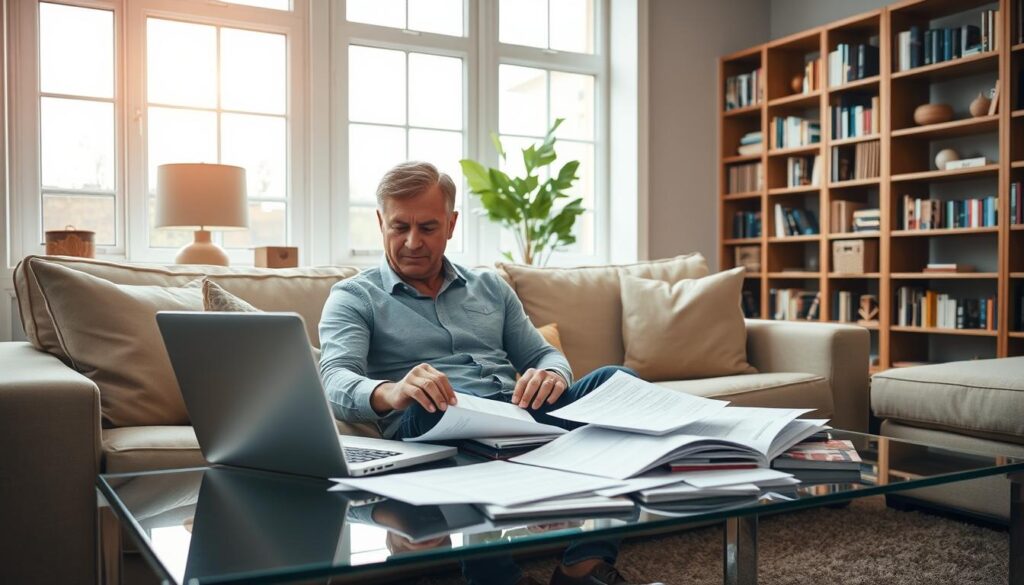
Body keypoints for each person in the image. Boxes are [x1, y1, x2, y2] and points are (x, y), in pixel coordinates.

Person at [319, 161, 660, 585]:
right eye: (398, 226)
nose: (412, 242)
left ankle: (583, 566)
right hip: (431, 422)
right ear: (379, 222)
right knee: (437, 410)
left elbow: (542, 354)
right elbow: (334, 378)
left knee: (618, 382)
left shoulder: (491, 287)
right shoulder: (355, 296)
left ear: (451, 223)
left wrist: (550, 375)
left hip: (519, 415)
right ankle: (497, 576)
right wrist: (393, 391)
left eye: (427, 227)